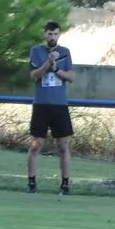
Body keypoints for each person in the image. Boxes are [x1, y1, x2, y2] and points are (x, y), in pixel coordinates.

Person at [27, 21, 75, 196]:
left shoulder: (65, 52)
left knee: (63, 145)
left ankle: (65, 184)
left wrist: (56, 69)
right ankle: (31, 182)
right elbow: (33, 75)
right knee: (35, 144)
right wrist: (48, 64)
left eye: (55, 34)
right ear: (45, 34)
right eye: (49, 33)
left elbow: (71, 76)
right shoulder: (36, 51)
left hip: (59, 105)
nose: (52, 37)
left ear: (59, 35)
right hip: (41, 104)